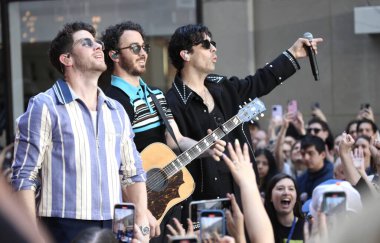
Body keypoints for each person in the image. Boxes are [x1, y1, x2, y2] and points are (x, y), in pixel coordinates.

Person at [165, 24, 323, 218]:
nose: (214, 48)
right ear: (186, 55)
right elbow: (173, 144)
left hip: (242, 194)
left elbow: (258, 82)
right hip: (202, 204)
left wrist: (292, 54)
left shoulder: (222, 87)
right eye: (206, 45)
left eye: (213, 43)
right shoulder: (172, 101)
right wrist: (205, 148)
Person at [11, 22, 149, 243]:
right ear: (67, 59)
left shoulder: (116, 110)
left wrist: (141, 222)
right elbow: (24, 177)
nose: (98, 47)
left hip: (118, 223)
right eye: (87, 43)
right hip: (63, 225)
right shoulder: (45, 105)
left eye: (98, 43)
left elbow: (133, 173)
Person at [101, 21, 225, 242]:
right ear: (114, 55)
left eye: (144, 47)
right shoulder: (109, 102)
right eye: (135, 48)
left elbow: (175, 140)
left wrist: (206, 147)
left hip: (166, 196)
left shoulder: (156, 94)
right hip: (128, 207)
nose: (143, 54)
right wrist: (140, 209)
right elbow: (112, 166)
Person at [264, 173, 304, 243]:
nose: (286, 192)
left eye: (291, 189)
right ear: (270, 197)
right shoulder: (264, 227)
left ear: (296, 197)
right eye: (280, 189)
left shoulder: (307, 227)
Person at [297, 135, 334, 200]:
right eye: (303, 154)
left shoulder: (334, 176)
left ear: (323, 155)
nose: (306, 158)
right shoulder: (300, 180)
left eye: (310, 153)